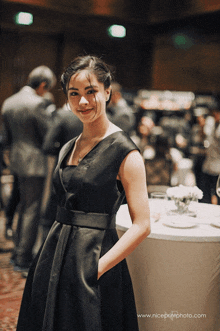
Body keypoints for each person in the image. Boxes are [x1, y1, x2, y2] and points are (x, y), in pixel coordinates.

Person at [16, 55, 151, 331]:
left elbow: (143, 225)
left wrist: (99, 267)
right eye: (74, 94)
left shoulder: (125, 151)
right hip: (53, 254)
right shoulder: (68, 146)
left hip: (94, 258)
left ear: (107, 92)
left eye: (91, 92)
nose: (83, 102)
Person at [1, 65, 56, 272]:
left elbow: (6, 137)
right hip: (34, 163)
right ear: (42, 85)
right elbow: (49, 137)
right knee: (32, 209)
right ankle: (24, 257)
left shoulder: (9, 101)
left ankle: (17, 251)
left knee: (22, 207)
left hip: (15, 160)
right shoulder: (38, 103)